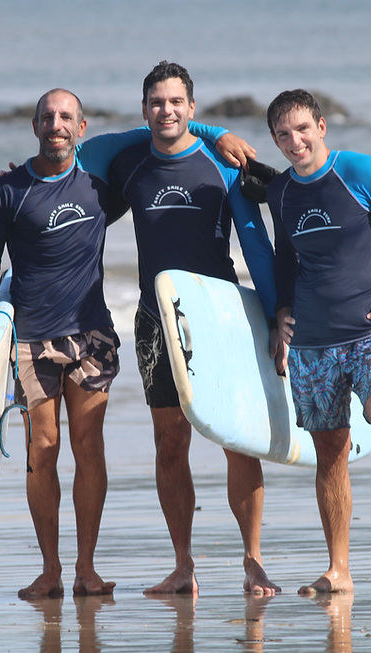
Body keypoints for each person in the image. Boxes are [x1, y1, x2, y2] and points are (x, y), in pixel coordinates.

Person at [0, 88, 246, 599]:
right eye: (47, 117)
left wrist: (214, 133)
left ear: (82, 127)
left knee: (89, 447)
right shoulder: (7, 191)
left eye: (66, 117)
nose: (57, 124)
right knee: (43, 450)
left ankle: (86, 570)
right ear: (34, 126)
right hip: (31, 340)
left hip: (92, 335)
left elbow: (159, 132)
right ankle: (50, 570)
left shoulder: (101, 184)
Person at [108, 61, 281, 596]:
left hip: (219, 318)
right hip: (155, 320)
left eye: (176, 102)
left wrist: (277, 319)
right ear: (145, 110)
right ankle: (184, 565)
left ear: (192, 108)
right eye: (157, 102)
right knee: (168, 442)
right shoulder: (130, 168)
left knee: (238, 440)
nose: (166, 110)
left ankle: (252, 561)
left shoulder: (222, 166)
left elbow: (256, 246)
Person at [264, 89, 371, 597]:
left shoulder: (359, 171)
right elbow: (284, 258)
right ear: (275, 140)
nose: (294, 141)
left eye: (301, 129)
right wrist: (280, 314)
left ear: (321, 126)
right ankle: (339, 568)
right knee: (330, 453)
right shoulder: (280, 193)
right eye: (282, 134)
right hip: (313, 344)